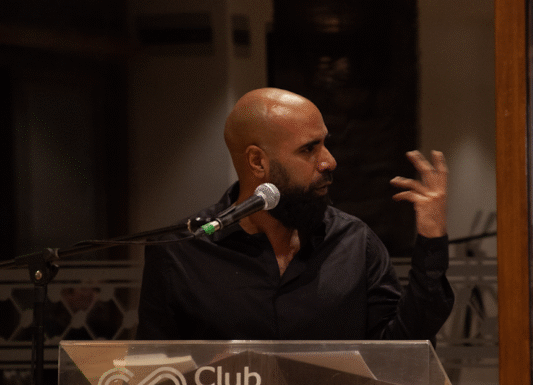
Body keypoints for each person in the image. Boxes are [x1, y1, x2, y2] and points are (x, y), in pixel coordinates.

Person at [135, 87, 454, 341]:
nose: (329, 161)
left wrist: (432, 240)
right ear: (258, 162)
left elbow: (403, 347)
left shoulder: (355, 242)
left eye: (325, 144)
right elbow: (155, 375)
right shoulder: (181, 252)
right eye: (308, 149)